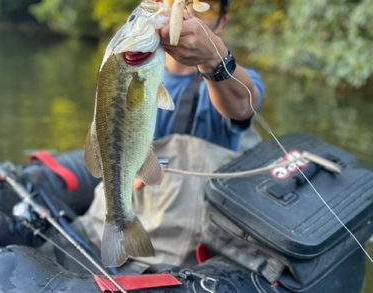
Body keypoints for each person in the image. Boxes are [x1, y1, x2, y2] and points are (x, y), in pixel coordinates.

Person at [77, 0, 265, 271]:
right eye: (175, 2)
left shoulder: (234, 77)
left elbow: (242, 106)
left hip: (184, 245)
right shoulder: (122, 66)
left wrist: (214, 60)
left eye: (204, 6)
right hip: (109, 220)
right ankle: (118, 225)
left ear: (222, 23)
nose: (186, 10)